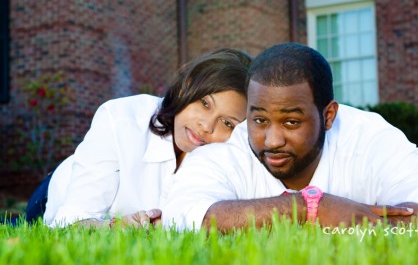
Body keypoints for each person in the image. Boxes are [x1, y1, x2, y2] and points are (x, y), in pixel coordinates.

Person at [160, 43, 418, 232]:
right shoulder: (230, 147)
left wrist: (360, 222)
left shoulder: (369, 137)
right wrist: (309, 209)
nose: (271, 140)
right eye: (259, 119)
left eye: (291, 121)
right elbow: (183, 216)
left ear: (328, 116)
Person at [24, 48, 251, 228]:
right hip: (57, 195)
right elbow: (71, 221)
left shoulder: (227, 158)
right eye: (204, 103)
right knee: (20, 226)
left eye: (227, 123)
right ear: (186, 87)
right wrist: (117, 228)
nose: (206, 126)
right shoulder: (120, 119)